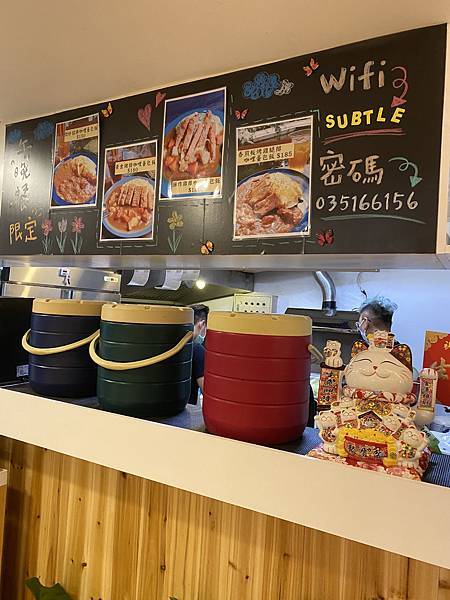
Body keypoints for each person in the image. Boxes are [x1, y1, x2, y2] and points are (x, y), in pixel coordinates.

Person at [189, 304, 209, 405]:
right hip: (186, 408)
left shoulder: (169, 344)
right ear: (202, 323)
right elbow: (206, 390)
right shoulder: (197, 350)